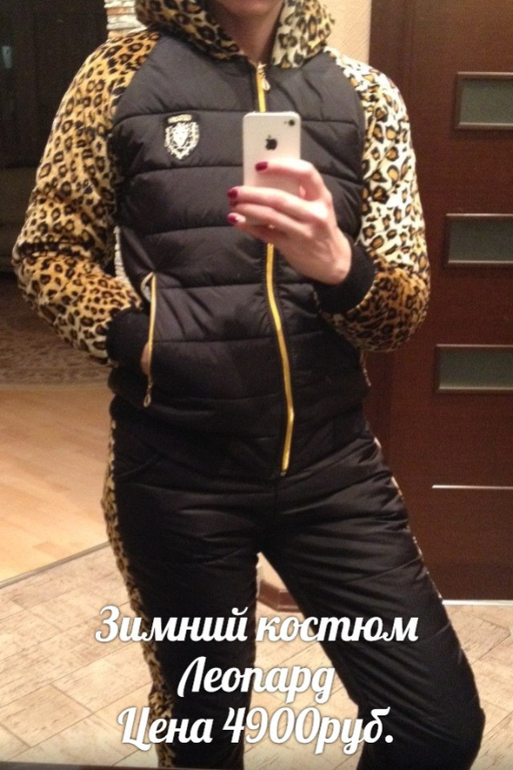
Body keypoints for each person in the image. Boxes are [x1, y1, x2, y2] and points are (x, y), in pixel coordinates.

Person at [13, 0, 485, 767]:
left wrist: (340, 267)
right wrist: (146, 342)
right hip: (175, 474)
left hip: (332, 471)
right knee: (204, 732)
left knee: (436, 728)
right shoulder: (115, 77)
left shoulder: (366, 95)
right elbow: (49, 252)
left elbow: (397, 314)